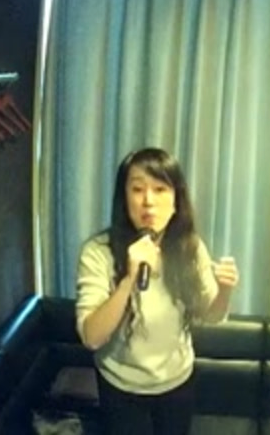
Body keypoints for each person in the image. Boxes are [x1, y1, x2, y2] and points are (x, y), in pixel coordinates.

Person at [76, 147, 239, 435]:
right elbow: (92, 337)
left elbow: (211, 315)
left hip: (177, 382)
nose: (148, 201)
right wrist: (128, 279)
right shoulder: (98, 252)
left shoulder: (190, 248)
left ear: (176, 200)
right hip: (120, 386)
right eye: (137, 189)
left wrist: (225, 291)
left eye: (160, 189)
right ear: (124, 198)